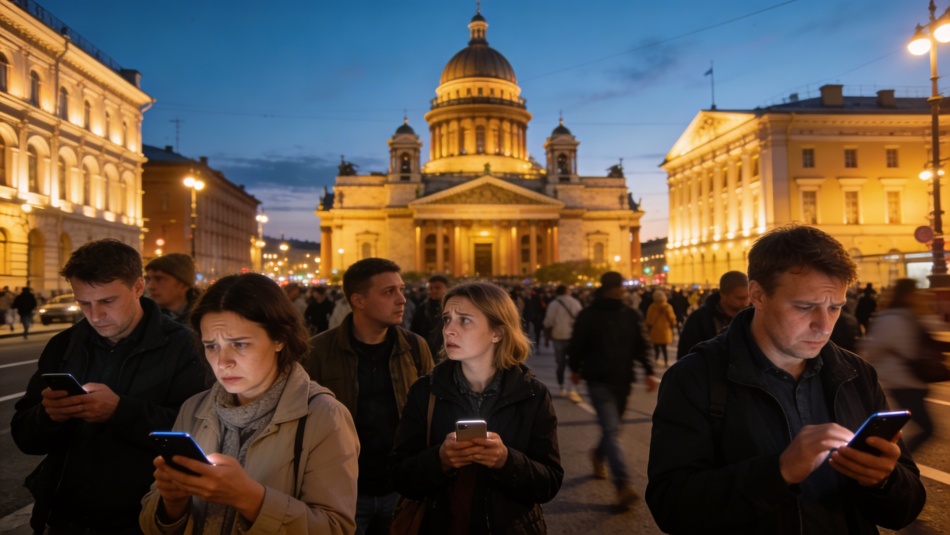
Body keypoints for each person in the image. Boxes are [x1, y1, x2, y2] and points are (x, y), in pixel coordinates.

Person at [646, 225, 926, 534]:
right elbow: (671, 507)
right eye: (805, 307)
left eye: (835, 307)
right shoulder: (694, 377)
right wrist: (778, 472)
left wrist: (884, 480)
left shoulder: (856, 373)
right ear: (757, 295)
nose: (823, 325)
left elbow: (906, 508)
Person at [11, 239, 207, 534]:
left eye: (107, 301)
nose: (95, 315)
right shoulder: (65, 344)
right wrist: (48, 415)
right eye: (84, 303)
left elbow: (200, 434)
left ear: (137, 287)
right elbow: (25, 438)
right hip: (65, 518)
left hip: (141, 518)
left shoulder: (185, 346)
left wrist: (119, 411)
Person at [140, 273, 360, 534]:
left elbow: (336, 528)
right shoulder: (195, 409)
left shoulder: (324, 416)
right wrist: (172, 503)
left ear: (279, 338)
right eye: (211, 346)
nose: (223, 362)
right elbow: (150, 522)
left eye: (240, 344)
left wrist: (250, 498)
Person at [390, 281, 563, 534]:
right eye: (447, 319)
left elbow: (549, 482)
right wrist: (440, 460)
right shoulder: (426, 391)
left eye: (465, 321)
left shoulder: (532, 394)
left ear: (498, 332)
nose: (449, 330)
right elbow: (400, 475)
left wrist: (506, 460)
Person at [306, 258, 434, 535]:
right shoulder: (317, 352)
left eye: (401, 289)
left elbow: (433, 411)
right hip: (343, 492)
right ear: (358, 300)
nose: (402, 299)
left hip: (400, 490)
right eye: (389, 292)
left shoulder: (415, 347)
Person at [568, 271, 658, 508]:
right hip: (598, 380)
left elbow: (641, 343)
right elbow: (577, 344)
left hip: (623, 380)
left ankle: (598, 455)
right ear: (611, 289)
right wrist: (574, 368)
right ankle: (623, 485)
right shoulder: (589, 315)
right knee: (610, 429)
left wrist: (648, 370)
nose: (621, 291)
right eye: (618, 288)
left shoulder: (629, 314)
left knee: (612, 430)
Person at [861, 278, 942, 453]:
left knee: (905, 428)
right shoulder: (899, 318)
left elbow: (872, 350)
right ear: (909, 294)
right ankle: (900, 462)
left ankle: (896, 460)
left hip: (911, 380)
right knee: (925, 428)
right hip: (903, 382)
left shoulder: (899, 316)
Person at [676, 270, 750, 359]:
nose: (746, 302)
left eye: (749, 296)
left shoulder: (753, 315)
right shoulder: (699, 319)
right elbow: (686, 355)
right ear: (723, 295)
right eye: (740, 298)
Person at [542, 284, 583, 401]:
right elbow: (580, 320)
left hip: (558, 337)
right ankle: (573, 389)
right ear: (567, 291)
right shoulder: (575, 303)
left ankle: (561, 388)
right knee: (573, 363)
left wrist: (546, 337)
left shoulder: (553, 305)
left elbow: (548, 322)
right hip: (572, 338)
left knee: (560, 364)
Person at [145, 253, 201, 324]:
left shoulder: (205, 319)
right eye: (148, 279)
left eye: (159, 279)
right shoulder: (150, 318)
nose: (150, 286)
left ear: (183, 284)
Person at [410, 274, 449, 361]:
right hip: (426, 354)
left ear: (447, 288)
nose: (433, 291)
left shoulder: (453, 308)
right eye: (431, 288)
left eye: (437, 288)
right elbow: (415, 331)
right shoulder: (422, 308)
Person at [646, 290, 677, 366]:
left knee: (656, 347)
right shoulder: (668, 307)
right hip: (665, 330)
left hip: (655, 331)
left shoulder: (652, 307)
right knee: (664, 348)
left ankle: (656, 360)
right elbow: (672, 319)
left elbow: (649, 321)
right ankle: (666, 361)